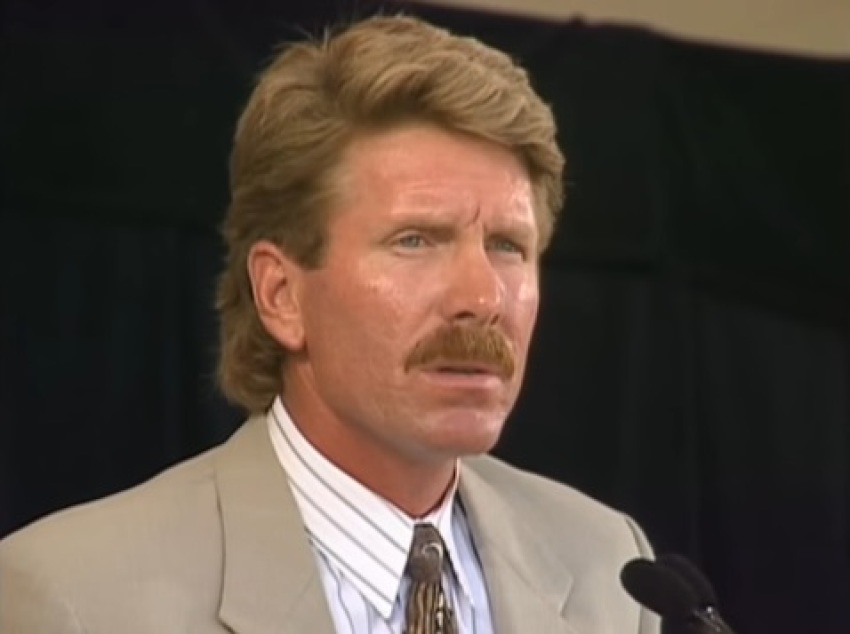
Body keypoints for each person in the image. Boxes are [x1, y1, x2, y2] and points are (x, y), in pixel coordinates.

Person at [0, 14, 659, 634]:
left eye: (508, 246)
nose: (482, 296)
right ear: (281, 295)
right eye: (415, 240)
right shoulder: (77, 598)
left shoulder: (610, 570)